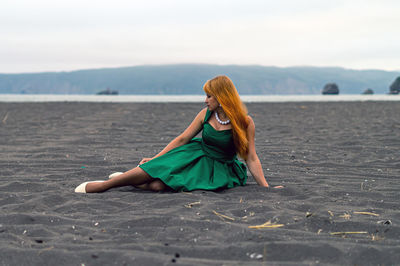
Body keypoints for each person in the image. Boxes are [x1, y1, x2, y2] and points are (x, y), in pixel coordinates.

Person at [75, 75, 282, 193]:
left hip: (219, 168)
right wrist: (156, 158)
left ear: (222, 97)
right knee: (156, 167)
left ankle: (127, 178)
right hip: (194, 154)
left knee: (156, 186)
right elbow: (183, 138)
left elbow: (251, 157)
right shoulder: (205, 114)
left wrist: (265, 187)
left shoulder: (245, 122)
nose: (205, 100)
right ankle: (106, 185)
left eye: (209, 96)